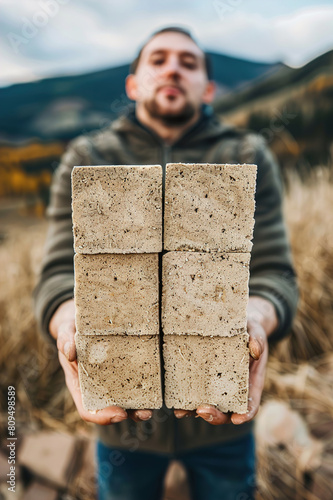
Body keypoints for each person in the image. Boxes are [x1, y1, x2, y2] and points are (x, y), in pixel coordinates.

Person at [34, 26, 298, 500]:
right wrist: (69, 320)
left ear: (209, 89)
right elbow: (56, 275)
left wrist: (256, 316)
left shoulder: (245, 156)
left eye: (189, 62)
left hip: (222, 418)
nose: (173, 68)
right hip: (122, 424)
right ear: (133, 83)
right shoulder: (89, 158)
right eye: (158, 60)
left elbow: (275, 272)